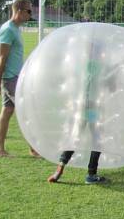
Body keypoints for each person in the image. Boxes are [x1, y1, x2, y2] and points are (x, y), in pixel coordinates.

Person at [47, 42, 120, 184]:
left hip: (79, 107)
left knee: (75, 137)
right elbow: (111, 87)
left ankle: (59, 168)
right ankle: (91, 174)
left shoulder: (82, 66)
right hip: (92, 108)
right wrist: (115, 73)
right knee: (98, 140)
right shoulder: (102, 67)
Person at [0, 0, 39, 158]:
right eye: (28, 11)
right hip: (10, 78)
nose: (30, 14)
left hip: (15, 77)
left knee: (7, 111)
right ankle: (33, 148)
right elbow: (2, 58)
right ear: (19, 11)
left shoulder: (16, 29)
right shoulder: (8, 30)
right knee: (27, 111)